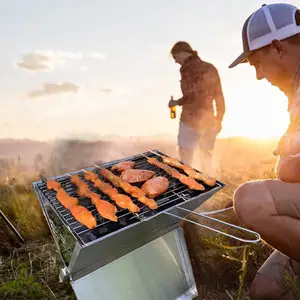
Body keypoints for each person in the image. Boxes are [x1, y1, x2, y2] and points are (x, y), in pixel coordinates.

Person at [228, 3, 300, 299]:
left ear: (278, 48)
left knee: (250, 200)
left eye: (257, 63)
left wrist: (288, 166)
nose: (258, 75)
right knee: (264, 291)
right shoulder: (293, 89)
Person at [168, 41, 225, 174]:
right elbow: (219, 96)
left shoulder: (187, 69)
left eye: (176, 58)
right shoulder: (210, 67)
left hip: (190, 120)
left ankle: (190, 188)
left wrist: (176, 102)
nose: (176, 62)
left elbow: (193, 95)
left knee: (186, 160)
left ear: (182, 52)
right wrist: (219, 118)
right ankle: (207, 187)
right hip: (209, 119)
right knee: (206, 158)